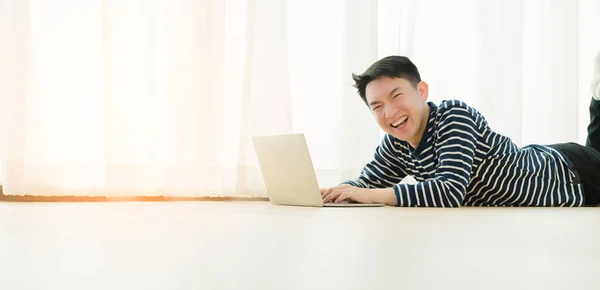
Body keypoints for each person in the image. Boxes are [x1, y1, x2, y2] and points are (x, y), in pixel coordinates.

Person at [321, 51, 600, 207]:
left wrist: (369, 195)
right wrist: (333, 193)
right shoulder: (396, 141)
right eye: (377, 106)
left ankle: (597, 97)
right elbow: (367, 183)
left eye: (396, 96)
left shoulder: (453, 115)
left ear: (422, 91)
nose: (390, 113)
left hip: (572, 174)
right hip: (544, 162)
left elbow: (448, 191)